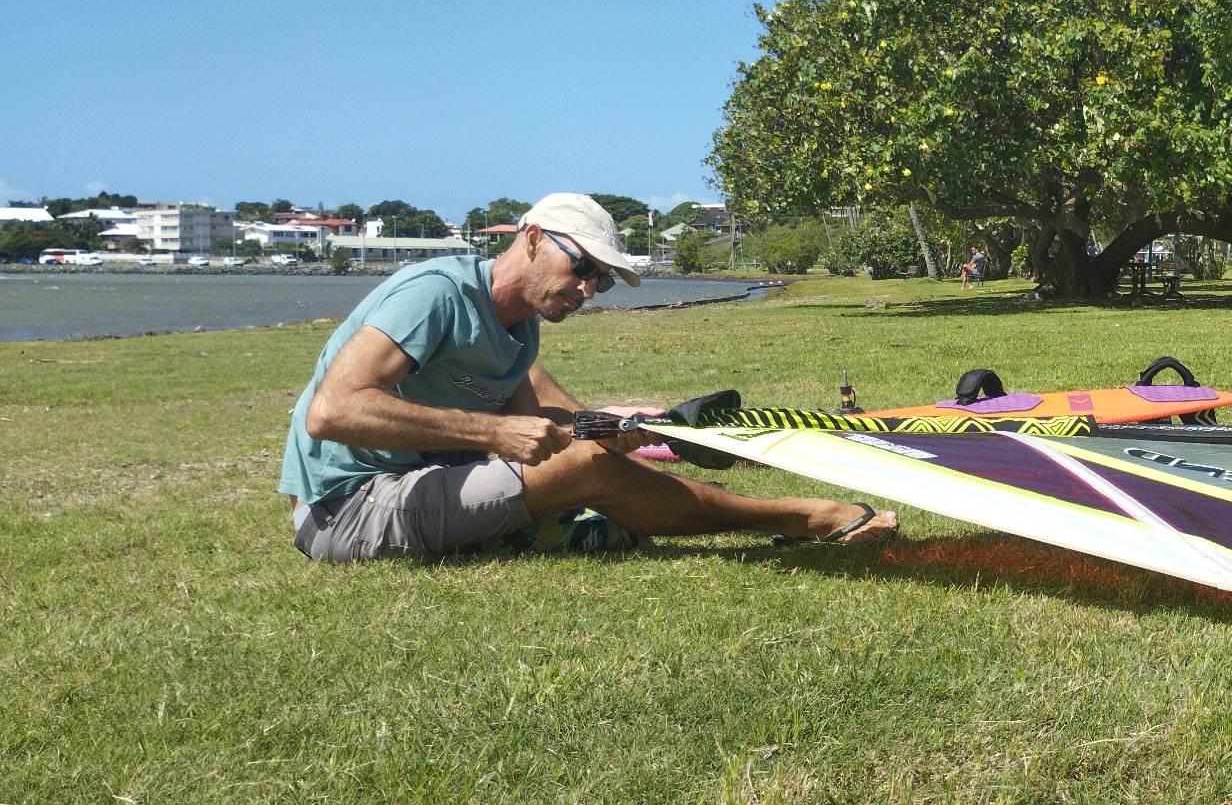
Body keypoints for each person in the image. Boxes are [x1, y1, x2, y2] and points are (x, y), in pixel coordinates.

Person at [278, 192, 896, 561]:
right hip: (345, 508)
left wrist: (628, 426)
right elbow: (333, 410)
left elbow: (561, 423)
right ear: (532, 239)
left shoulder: (518, 327)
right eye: (582, 268)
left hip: (416, 487)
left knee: (604, 467)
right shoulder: (436, 294)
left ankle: (570, 529)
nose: (588, 289)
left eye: (601, 279)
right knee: (591, 473)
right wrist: (493, 434)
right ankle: (787, 518)